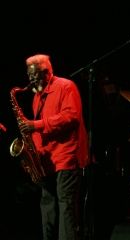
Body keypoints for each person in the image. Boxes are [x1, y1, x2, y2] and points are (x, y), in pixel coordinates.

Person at [19, 54, 89, 239]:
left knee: (66, 203)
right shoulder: (37, 96)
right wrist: (30, 157)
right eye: (29, 75)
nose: (31, 79)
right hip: (47, 159)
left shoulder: (66, 86)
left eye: (34, 75)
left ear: (47, 72)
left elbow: (71, 116)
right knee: (47, 202)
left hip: (66, 156)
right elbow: (36, 131)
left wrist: (37, 125)